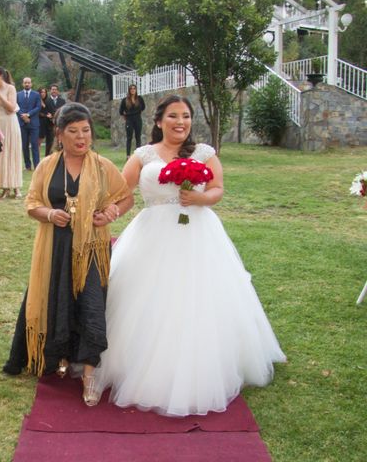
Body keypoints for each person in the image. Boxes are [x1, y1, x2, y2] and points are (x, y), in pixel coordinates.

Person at [93, 94, 286, 416]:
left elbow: (217, 189)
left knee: (198, 295)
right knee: (144, 297)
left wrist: (200, 200)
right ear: (158, 121)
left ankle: (205, 363)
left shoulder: (204, 153)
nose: (180, 122)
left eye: (185, 116)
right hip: (151, 232)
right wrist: (110, 212)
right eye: (172, 116)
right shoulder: (142, 155)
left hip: (198, 230)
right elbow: (122, 194)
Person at [2, 102, 133, 407]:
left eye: (86, 130)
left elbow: (125, 198)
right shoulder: (47, 165)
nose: (81, 137)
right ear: (59, 134)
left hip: (91, 249)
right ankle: (60, 358)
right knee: (57, 303)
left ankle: (89, 375)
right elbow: (31, 202)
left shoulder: (102, 166)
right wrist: (49, 214)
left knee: (91, 307)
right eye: (73, 131)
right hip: (55, 248)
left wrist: (111, 212)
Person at [0, 66, 23, 199]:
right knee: (2, 156)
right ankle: (5, 187)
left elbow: (11, 108)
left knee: (13, 153)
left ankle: (17, 187)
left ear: (0, 75)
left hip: (10, 123)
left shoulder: (10, 88)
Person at [17, 77, 41, 171]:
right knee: (24, 145)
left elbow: (38, 107)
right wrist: (23, 116)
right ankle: (27, 166)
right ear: (23, 84)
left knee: (35, 145)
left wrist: (28, 114)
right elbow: (16, 107)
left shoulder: (36, 94)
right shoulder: (18, 95)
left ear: (31, 84)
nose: (27, 84)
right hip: (22, 123)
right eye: (25, 83)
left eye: (28, 83)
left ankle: (37, 166)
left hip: (34, 124)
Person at [119, 84, 145, 158]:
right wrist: (126, 117)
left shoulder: (139, 99)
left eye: (134, 88)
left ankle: (138, 155)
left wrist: (138, 113)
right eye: (131, 89)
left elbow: (143, 107)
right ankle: (128, 155)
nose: (133, 90)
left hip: (138, 119)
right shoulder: (125, 100)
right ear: (129, 90)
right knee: (129, 138)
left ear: (136, 90)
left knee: (138, 137)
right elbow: (121, 111)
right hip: (129, 120)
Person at [44, 84, 66, 156]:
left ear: (58, 91)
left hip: (59, 125)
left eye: (55, 89)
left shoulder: (62, 101)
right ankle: (47, 159)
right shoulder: (46, 101)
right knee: (49, 143)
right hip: (49, 126)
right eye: (52, 89)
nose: (54, 91)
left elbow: (63, 112)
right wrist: (49, 117)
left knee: (61, 142)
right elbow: (45, 111)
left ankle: (60, 157)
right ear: (50, 91)